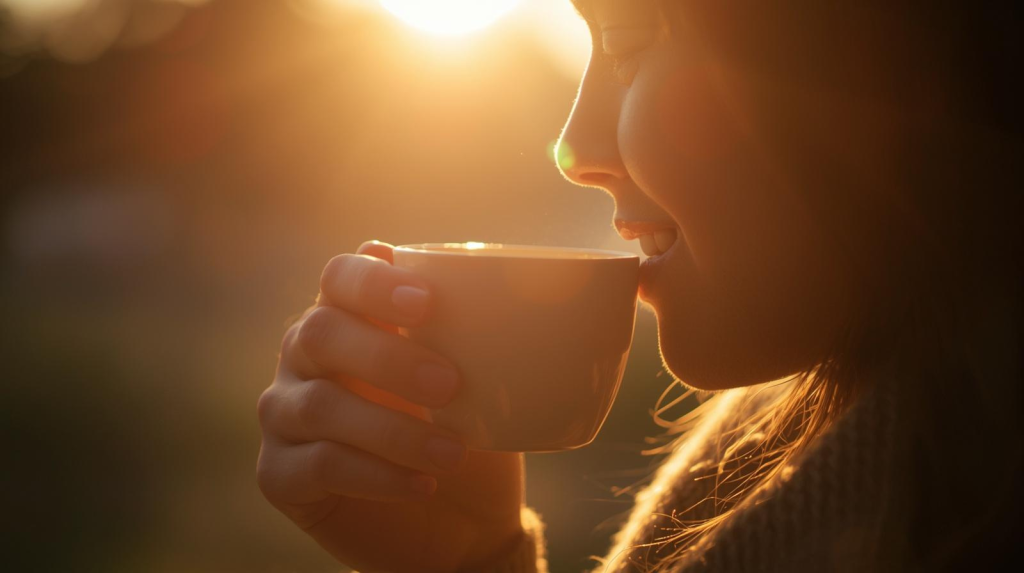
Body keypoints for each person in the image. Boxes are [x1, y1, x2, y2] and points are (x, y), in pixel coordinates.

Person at [256, 1, 1022, 571]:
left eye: (627, 42)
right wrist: (467, 557)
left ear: (884, 56)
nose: (573, 148)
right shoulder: (775, 462)